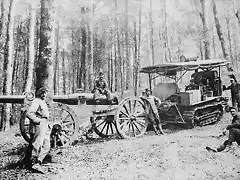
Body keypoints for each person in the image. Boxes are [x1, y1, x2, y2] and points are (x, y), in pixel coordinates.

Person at [25, 87, 51, 173]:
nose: (44, 95)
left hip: (45, 124)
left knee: (47, 146)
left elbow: (46, 115)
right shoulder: (36, 101)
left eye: (45, 93)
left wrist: (48, 124)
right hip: (39, 125)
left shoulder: (43, 102)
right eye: (42, 93)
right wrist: (37, 121)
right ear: (39, 94)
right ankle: (33, 164)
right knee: (37, 144)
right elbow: (29, 113)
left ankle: (38, 162)